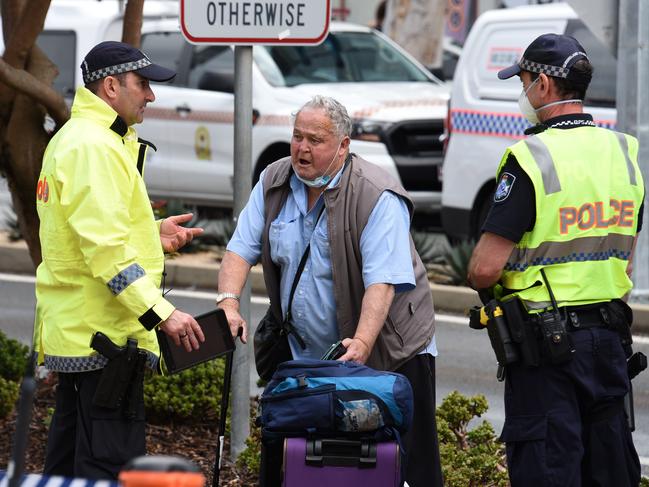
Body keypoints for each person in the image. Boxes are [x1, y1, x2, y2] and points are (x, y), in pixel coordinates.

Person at [217, 95, 443, 487]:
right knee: (301, 460)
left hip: (389, 353)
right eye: (297, 137)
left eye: (315, 140)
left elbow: (382, 281)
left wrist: (362, 342)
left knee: (398, 467)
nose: (302, 149)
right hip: (309, 357)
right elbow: (239, 249)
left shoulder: (377, 195)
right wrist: (228, 302)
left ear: (343, 146)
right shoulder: (273, 181)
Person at [467, 34, 643, 486]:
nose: (523, 92)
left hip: (548, 351)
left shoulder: (531, 158)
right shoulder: (624, 153)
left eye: (524, 80)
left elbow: (484, 268)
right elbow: (625, 260)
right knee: (608, 471)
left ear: (544, 85)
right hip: (609, 343)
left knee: (548, 470)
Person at [35, 41, 205, 480]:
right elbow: (107, 253)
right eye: (143, 84)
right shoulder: (95, 147)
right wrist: (162, 314)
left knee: (68, 469)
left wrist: (153, 232)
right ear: (111, 86)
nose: (151, 95)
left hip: (83, 337)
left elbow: (92, 234)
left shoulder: (81, 140)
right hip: (103, 342)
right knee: (108, 473)